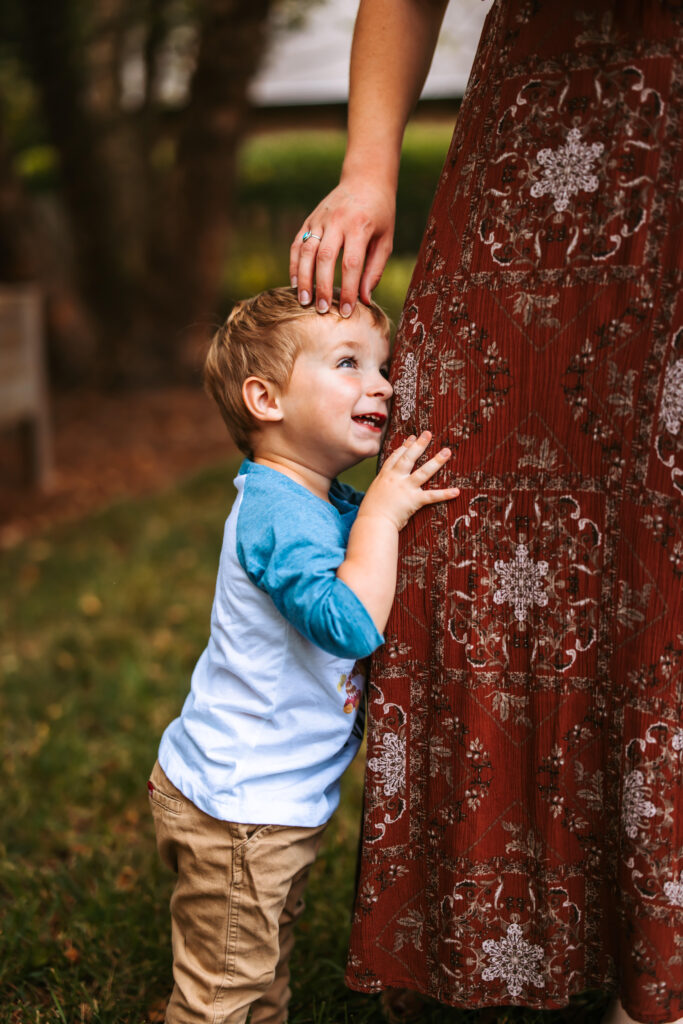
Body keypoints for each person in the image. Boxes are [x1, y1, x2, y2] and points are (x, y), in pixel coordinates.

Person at [290, 2, 683, 1023]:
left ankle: (654, 956)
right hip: (523, 134)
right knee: (454, 488)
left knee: (660, 521)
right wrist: (368, 166)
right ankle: (465, 933)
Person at [147, 286, 460, 1024]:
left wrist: (375, 508)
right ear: (265, 399)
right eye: (348, 363)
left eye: (382, 366)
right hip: (240, 807)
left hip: (261, 800)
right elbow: (346, 622)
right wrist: (384, 511)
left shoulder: (310, 498)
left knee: (256, 959)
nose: (381, 384)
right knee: (226, 982)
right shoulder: (276, 512)